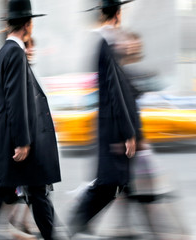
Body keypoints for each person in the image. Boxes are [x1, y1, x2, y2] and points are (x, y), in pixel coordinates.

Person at [69, 0, 147, 236]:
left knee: (114, 183)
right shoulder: (107, 44)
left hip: (112, 128)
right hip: (113, 130)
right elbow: (115, 91)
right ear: (118, 14)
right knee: (108, 184)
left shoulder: (106, 43)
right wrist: (127, 132)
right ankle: (77, 222)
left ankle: (82, 223)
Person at [0, 1, 61, 239]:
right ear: (28, 24)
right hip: (20, 143)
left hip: (8, 139)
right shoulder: (16, 53)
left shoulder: (1, 55)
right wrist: (22, 141)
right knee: (36, 195)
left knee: (21, 194)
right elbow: (16, 101)